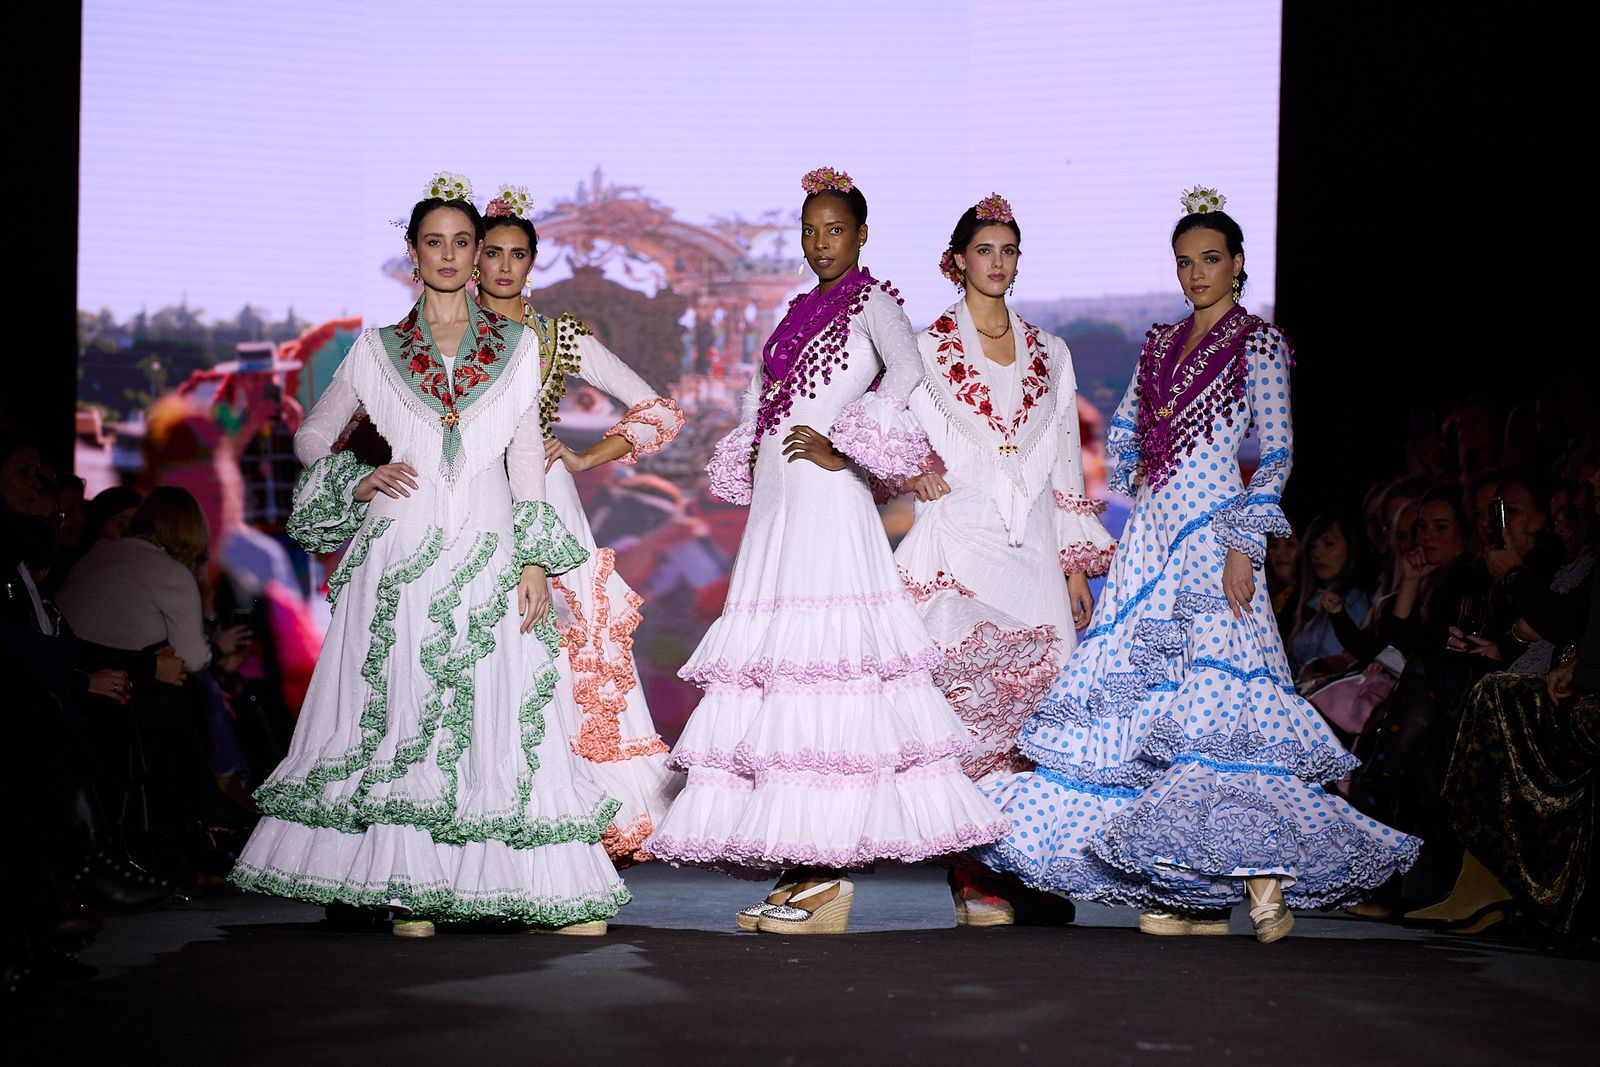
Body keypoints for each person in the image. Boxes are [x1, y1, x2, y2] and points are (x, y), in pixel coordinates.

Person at [975, 187, 1419, 942]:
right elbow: (1124, 426)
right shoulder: (1159, 344)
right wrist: (1134, 465)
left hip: (1215, 531)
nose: (1196, 273)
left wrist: (1245, 545)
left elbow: (1276, 452)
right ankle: (1187, 886)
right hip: (1153, 538)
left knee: (1222, 707)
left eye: (1210, 259)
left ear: (1238, 263)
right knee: (1155, 711)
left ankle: (1263, 875)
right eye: (1184, 262)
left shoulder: (1258, 344)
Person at [228, 175, 627, 937]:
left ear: (477, 254)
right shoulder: (376, 349)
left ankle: (524, 880)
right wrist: (354, 478)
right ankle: (405, 883)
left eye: (462, 242)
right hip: (399, 545)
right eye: (433, 242)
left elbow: (523, 454)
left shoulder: (516, 345)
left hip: (491, 541)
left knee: (502, 708)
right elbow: (313, 433)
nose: (449, 254)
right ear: (412, 254)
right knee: (403, 706)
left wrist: (534, 559)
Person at [645, 167, 1008, 934]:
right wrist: (753, 442)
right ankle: (801, 865)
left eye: (835, 230)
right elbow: (763, 391)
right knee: (783, 678)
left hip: (827, 500)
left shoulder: (872, 301)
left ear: (861, 235)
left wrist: (849, 446)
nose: (821, 243)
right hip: (779, 504)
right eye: (810, 231)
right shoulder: (797, 309)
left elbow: (907, 370)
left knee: (824, 672)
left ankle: (827, 872)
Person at [892, 194, 1113, 924]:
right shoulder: (922, 347)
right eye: (983, 249)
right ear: (957, 260)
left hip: (1036, 545)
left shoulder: (1052, 351)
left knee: (1039, 712)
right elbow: (879, 423)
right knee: (967, 706)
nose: (996, 262)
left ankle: (1016, 868)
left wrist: (1075, 563)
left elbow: (1065, 458)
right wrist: (911, 466)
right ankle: (971, 874)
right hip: (960, 534)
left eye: (1008, 250)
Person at [472, 184, 685, 862]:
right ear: (474, 258)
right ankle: (490, 819)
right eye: (493, 253)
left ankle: (566, 819)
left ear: (533, 263)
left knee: (560, 654)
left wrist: (589, 455)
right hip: (468, 501)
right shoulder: (447, 335)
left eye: (518, 254)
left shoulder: (556, 335)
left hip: (546, 502)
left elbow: (657, 409)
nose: (505, 266)